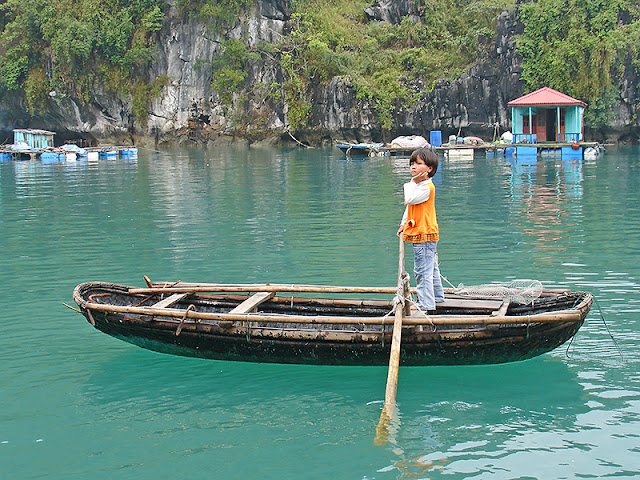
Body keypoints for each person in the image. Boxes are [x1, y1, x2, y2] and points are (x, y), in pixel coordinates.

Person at [396, 147, 444, 313]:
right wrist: (403, 224)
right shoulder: (419, 186)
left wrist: (411, 182)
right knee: (431, 268)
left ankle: (426, 304)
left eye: (418, 164)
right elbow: (410, 206)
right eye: (411, 164)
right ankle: (437, 297)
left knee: (422, 270)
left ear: (429, 169)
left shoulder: (426, 188)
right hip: (422, 233)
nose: (413, 167)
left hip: (424, 234)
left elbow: (409, 198)